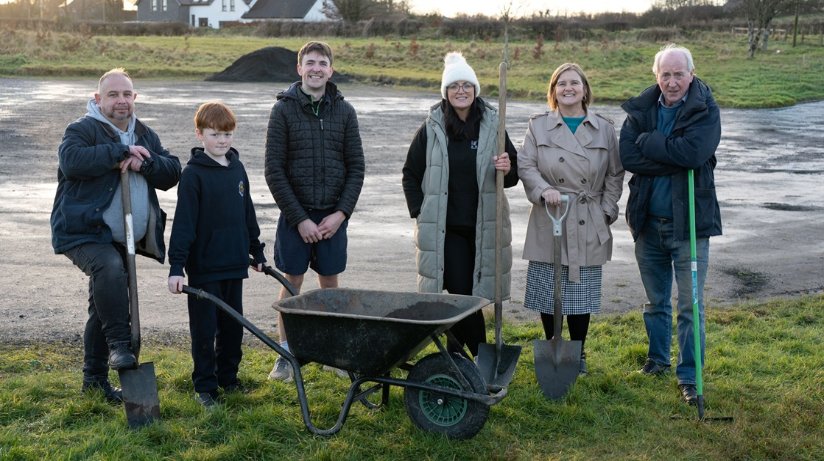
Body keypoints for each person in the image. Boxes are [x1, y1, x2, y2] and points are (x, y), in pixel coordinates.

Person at [50, 68, 181, 404]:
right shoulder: (82, 129)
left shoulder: (144, 134)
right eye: (113, 95)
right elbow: (72, 161)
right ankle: (121, 346)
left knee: (102, 304)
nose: (121, 101)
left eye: (127, 94)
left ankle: (94, 383)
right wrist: (120, 153)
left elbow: (171, 172)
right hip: (83, 233)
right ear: (98, 99)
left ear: (134, 98)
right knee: (109, 269)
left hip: (125, 238)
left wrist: (144, 164)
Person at [619, 44, 722, 405]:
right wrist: (672, 154)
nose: (672, 81)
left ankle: (689, 378)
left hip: (690, 225)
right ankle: (658, 360)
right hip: (647, 221)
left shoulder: (704, 109)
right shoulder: (641, 109)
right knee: (655, 300)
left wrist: (654, 146)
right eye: (666, 74)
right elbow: (629, 156)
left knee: (690, 305)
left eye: (679, 74)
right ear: (656, 76)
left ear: (691, 75)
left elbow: (695, 154)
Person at [402, 52, 518, 359]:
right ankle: (481, 356)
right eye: (454, 86)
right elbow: (410, 174)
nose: (461, 90)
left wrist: (507, 166)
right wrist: (420, 212)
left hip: (484, 228)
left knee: (473, 297)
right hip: (448, 230)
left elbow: (512, 177)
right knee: (461, 294)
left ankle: (455, 355)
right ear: (446, 92)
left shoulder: (494, 124)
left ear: (476, 89)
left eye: (467, 85)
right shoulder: (432, 128)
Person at [264, 41, 365, 382]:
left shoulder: (345, 111)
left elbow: (356, 168)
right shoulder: (283, 110)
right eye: (310, 62)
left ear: (331, 70)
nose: (316, 68)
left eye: (323, 62)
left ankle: (330, 353)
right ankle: (285, 354)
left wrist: (341, 214)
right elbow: (274, 170)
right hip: (297, 215)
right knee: (292, 282)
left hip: (332, 217)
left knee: (329, 285)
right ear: (299, 69)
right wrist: (300, 219)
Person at [518, 63, 624, 375]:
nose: (568, 88)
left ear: (585, 89)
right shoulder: (538, 126)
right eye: (561, 83)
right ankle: (553, 345)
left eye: (574, 83)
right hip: (550, 214)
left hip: (587, 216)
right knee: (548, 289)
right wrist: (543, 189)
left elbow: (615, 174)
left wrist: (606, 209)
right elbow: (526, 166)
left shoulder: (604, 128)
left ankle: (577, 353)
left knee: (581, 291)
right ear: (553, 92)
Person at [167, 101, 266, 408]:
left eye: (227, 134)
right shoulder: (193, 175)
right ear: (200, 134)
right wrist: (176, 267)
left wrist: (257, 251)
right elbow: (183, 224)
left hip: (234, 265)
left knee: (232, 329)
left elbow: (247, 213)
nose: (222, 141)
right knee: (205, 331)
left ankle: (229, 379)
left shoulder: (237, 169)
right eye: (214, 134)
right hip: (204, 269)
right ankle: (205, 387)